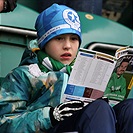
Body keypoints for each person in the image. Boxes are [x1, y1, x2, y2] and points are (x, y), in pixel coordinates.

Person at [0, 3, 133, 133]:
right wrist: (51, 115)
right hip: (53, 127)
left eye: (73, 39)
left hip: (88, 123)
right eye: (59, 38)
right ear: (44, 43)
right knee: (98, 109)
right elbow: (4, 124)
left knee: (129, 108)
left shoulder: (86, 70)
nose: (67, 46)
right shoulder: (22, 75)